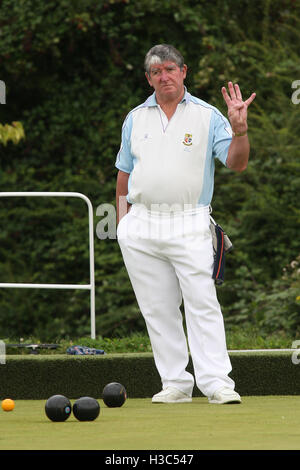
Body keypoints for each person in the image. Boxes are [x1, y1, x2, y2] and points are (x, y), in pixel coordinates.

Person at [115, 44, 256, 404]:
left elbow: (236, 164)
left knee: (202, 302)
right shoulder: (135, 118)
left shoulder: (208, 116)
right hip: (141, 223)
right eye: (156, 71)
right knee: (157, 308)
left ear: (183, 71)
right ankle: (176, 384)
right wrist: (122, 226)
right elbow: (124, 176)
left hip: (188, 221)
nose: (164, 76)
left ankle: (217, 383)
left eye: (170, 69)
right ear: (149, 79)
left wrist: (240, 131)